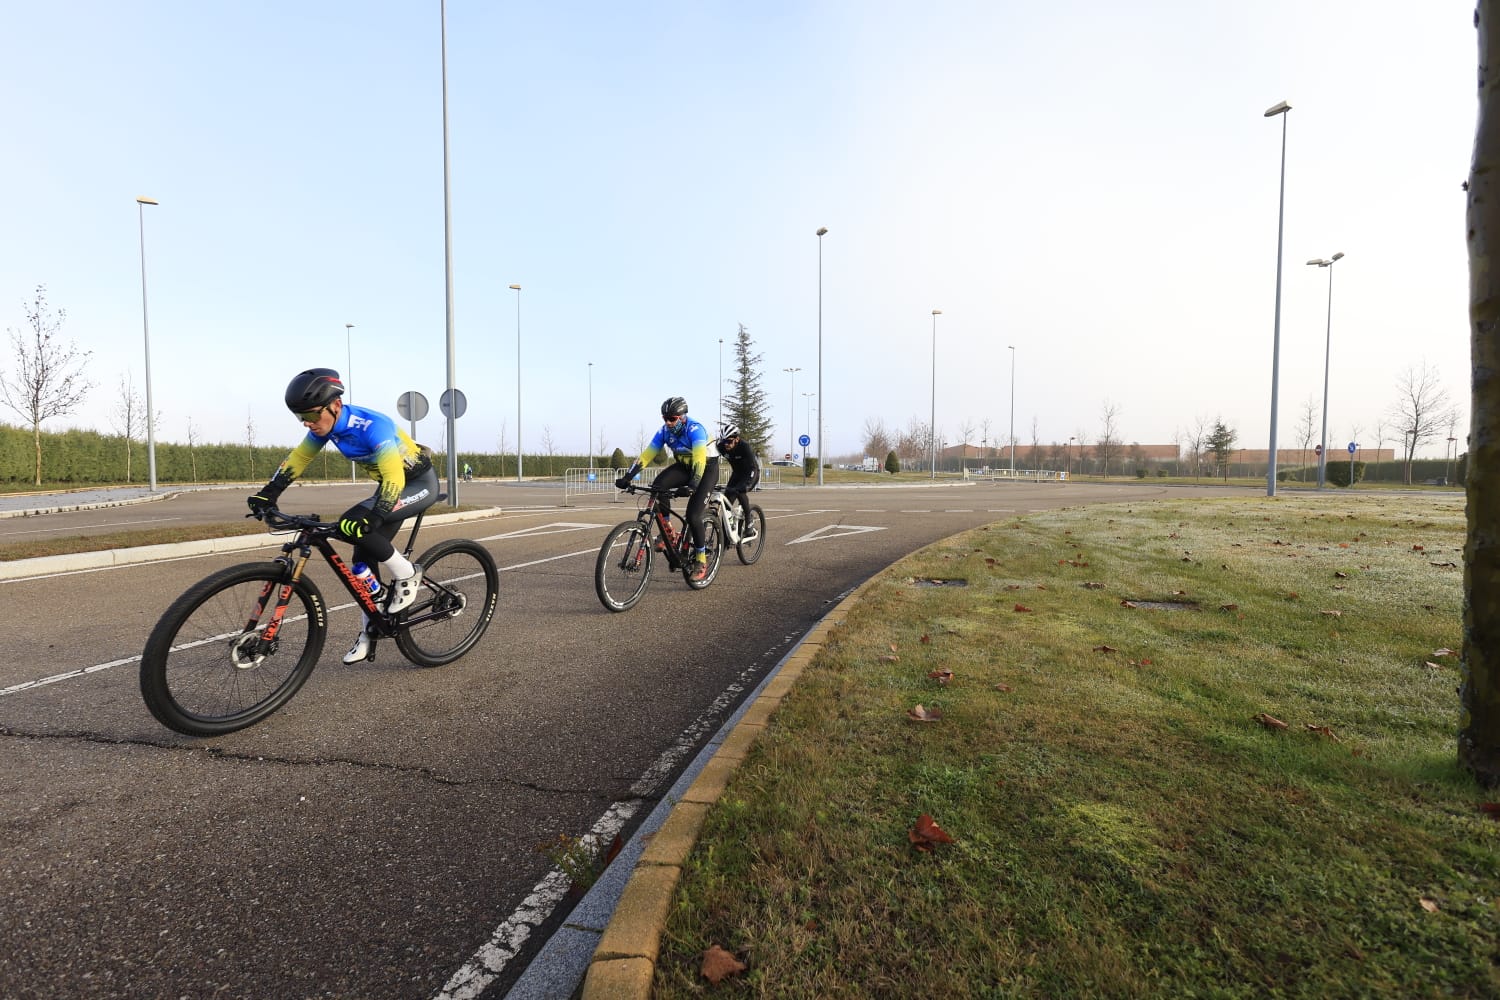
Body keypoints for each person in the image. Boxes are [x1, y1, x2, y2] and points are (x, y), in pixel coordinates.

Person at [247, 368, 438, 664]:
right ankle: (370, 629)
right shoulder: (326, 427)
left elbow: (393, 478)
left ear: (334, 406)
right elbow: (299, 458)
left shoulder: (373, 426)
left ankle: (408, 575)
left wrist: (375, 516)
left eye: (311, 416)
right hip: (390, 486)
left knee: (356, 525)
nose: (307, 424)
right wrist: (269, 492)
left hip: (415, 484)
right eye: (301, 418)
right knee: (361, 560)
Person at [615, 396, 720, 581]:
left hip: (705, 469)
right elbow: (647, 455)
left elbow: (699, 460)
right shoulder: (664, 431)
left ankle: (701, 559)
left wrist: (692, 486)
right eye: (665, 418)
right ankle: (668, 532)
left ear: (682, 417)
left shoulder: (695, 430)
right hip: (684, 467)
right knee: (658, 486)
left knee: (693, 515)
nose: (668, 423)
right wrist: (627, 477)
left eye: (672, 419)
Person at [715, 425, 760, 536]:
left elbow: (753, 467)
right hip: (737, 474)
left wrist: (748, 485)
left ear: (737, 439)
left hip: (750, 472)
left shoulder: (745, 447)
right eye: (724, 441)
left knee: (740, 491)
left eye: (729, 441)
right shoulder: (721, 447)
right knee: (726, 505)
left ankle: (748, 518)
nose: (726, 444)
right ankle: (728, 533)